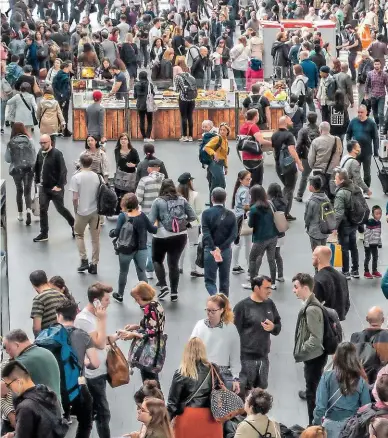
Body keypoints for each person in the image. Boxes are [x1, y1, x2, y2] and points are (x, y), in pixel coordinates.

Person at [74, 282, 115, 438]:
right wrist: (102, 319)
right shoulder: (84, 319)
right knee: (103, 412)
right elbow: (99, 343)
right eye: (106, 299)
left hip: (102, 369)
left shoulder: (94, 317)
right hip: (93, 372)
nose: (109, 302)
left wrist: (117, 335)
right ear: (96, 301)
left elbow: (103, 338)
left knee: (97, 410)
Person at [148, 179, 197, 302]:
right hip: (180, 235)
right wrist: (183, 223)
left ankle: (164, 286)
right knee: (173, 264)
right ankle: (174, 292)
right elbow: (193, 216)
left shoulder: (158, 201)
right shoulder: (182, 200)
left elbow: (150, 220)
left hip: (161, 236)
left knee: (157, 260)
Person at [56, 300, 98, 437]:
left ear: (58, 316)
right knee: (86, 420)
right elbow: (95, 363)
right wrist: (85, 362)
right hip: (77, 386)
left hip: (55, 388)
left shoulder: (49, 335)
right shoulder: (83, 335)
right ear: (76, 315)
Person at [235, 275, 281, 398]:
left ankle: (256, 414)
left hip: (263, 356)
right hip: (246, 358)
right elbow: (233, 333)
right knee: (245, 390)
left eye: (270, 287)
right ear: (256, 288)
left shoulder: (270, 304)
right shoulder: (242, 307)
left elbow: (278, 326)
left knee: (261, 390)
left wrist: (273, 328)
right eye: (266, 288)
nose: (270, 291)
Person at [167, 337, 223, 438]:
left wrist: (164, 424)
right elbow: (219, 393)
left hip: (187, 417)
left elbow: (172, 404)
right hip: (211, 417)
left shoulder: (181, 372)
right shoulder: (213, 369)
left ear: (186, 351)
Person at [313, 342, 371, 437]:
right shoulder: (361, 381)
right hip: (351, 428)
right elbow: (366, 409)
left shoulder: (326, 377)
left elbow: (320, 407)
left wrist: (316, 424)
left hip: (330, 427)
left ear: (337, 356)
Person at [293, 272, 326, 426]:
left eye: (296, 287)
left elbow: (315, 338)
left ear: (305, 288)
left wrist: (302, 350)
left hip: (313, 357)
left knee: (312, 392)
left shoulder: (311, 309)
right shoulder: (310, 304)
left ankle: (312, 426)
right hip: (314, 356)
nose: (294, 290)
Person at [111, 194, 157, 303]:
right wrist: (156, 223)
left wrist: (112, 233)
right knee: (142, 273)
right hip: (141, 249)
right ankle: (148, 298)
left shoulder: (123, 216)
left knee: (123, 272)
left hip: (125, 249)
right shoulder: (142, 216)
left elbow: (116, 232)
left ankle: (120, 294)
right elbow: (153, 230)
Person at [1, 361, 65, 438]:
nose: (9, 389)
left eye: (8, 385)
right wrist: (13, 434)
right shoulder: (48, 392)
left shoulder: (25, 407)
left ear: (19, 382)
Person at [191, 294, 240, 391]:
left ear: (222, 310)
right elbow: (191, 349)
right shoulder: (200, 325)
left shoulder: (230, 329)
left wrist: (235, 378)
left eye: (213, 311)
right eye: (208, 310)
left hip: (221, 374)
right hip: (201, 370)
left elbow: (235, 356)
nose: (209, 313)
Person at [117, 282, 165, 382]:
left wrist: (133, 334)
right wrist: (136, 326)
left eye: (137, 299)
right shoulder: (156, 304)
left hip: (150, 349)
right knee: (152, 377)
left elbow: (151, 332)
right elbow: (154, 325)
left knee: (148, 378)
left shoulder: (149, 308)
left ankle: (152, 396)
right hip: (158, 345)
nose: (137, 302)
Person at [33, 134, 74, 243]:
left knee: (60, 209)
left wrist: (59, 186)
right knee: (43, 210)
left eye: (44, 142)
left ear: (50, 142)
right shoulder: (40, 153)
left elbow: (63, 171)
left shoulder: (57, 154)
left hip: (55, 188)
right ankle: (44, 233)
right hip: (44, 188)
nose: (42, 145)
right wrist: (37, 181)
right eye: (41, 143)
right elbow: (37, 167)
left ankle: (73, 224)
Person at [2, 329, 61, 400]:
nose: (8, 353)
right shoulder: (45, 352)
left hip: (39, 408)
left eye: (8, 349)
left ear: (16, 345)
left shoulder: (23, 361)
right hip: (56, 407)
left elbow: (2, 389)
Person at [202, 187, 237, 297]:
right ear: (225, 199)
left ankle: (215, 298)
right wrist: (221, 248)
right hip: (225, 251)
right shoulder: (231, 215)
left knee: (209, 281)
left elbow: (206, 233)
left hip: (210, 251)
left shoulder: (206, 213)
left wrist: (213, 248)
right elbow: (233, 235)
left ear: (212, 198)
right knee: (224, 281)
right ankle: (224, 304)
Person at [69, 154, 101, 275]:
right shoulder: (97, 177)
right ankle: (94, 264)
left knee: (79, 234)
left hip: (82, 211)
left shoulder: (76, 177)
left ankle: (83, 260)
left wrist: (76, 209)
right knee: (95, 239)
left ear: (81, 163)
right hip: (95, 211)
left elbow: (75, 198)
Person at [135, 160, 166, 280]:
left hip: (148, 216)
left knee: (149, 243)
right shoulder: (165, 181)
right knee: (160, 242)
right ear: (158, 169)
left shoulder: (144, 181)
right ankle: (160, 266)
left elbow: (137, 199)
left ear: (148, 169)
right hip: (162, 216)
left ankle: (150, 269)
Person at [4, 122, 35, 225]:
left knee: (19, 190)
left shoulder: (11, 143)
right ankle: (29, 210)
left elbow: (7, 159)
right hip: (28, 168)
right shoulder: (29, 141)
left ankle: (20, 214)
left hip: (16, 169)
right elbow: (34, 155)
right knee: (27, 191)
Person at [271, 116, 301, 220]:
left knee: (288, 187)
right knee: (289, 189)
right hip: (289, 166)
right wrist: (299, 163)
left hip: (279, 166)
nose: (292, 122)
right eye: (290, 120)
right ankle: (283, 211)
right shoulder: (289, 135)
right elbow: (292, 150)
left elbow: (274, 150)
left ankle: (285, 212)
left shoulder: (274, 135)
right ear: (285, 123)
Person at [333, 169, 360, 280]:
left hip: (344, 224)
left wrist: (334, 227)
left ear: (342, 180)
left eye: (336, 178)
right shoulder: (354, 187)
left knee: (344, 247)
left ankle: (345, 271)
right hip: (354, 222)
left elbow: (339, 213)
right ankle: (355, 270)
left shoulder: (341, 193)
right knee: (353, 246)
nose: (335, 180)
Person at [351, 306, 388, 385]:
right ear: (383, 320)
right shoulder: (385, 336)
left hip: (357, 380)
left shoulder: (355, 337)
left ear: (367, 319)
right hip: (376, 383)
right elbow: (385, 361)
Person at [312, 246, 350, 321]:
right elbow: (346, 303)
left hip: (324, 322)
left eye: (313, 256)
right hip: (337, 321)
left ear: (319, 259)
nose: (312, 258)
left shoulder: (318, 280)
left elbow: (314, 307)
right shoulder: (342, 277)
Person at [177, 172, 204, 277]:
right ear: (189, 182)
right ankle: (193, 269)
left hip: (180, 224)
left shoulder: (177, 195)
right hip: (193, 223)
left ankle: (179, 267)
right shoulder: (195, 194)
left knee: (181, 245)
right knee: (193, 245)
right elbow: (198, 210)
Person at [346, 105, 379, 188]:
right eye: (358, 112)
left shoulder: (371, 123)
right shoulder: (353, 121)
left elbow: (375, 137)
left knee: (367, 172)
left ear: (366, 112)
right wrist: (349, 145)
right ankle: (354, 189)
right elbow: (348, 133)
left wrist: (376, 151)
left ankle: (366, 189)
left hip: (367, 152)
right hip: (355, 152)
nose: (360, 114)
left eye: (362, 112)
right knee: (354, 171)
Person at [308, 121, 343, 196]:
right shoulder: (337, 140)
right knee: (332, 193)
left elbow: (311, 159)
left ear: (320, 130)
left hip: (318, 171)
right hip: (333, 170)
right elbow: (340, 153)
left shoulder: (315, 141)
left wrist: (313, 167)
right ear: (329, 130)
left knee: (318, 193)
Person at [239, 108, 272, 186]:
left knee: (249, 181)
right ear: (255, 117)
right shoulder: (253, 126)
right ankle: (255, 197)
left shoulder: (243, 126)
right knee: (257, 182)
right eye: (258, 115)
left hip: (245, 157)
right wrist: (273, 143)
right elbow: (261, 141)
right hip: (255, 158)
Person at [29, 269, 68, 336]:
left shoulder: (39, 299)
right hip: (64, 336)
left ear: (33, 285)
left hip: (49, 339)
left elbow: (36, 328)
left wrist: (38, 340)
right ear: (47, 281)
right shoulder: (61, 295)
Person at [295, 113, 320, 202]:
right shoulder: (319, 129)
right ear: (316, 119)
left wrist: (297, 157)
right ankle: (318, 195)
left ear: (307, 119)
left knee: (304, 176)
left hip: (307, 156)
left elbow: (298, 145)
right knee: (319, 176)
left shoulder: (303, 130)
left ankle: (299, 195)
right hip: (318, 156)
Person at [304, 176, 333, 251]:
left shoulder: (310, 202)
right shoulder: (326, 198)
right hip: (325, 231)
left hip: (314, 232)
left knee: (316, 255)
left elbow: (307, 218)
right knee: (323, 252)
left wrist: (307, 227)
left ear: (312, 187)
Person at [232, 170, 252, 274]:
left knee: (238, 242)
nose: (249, 181)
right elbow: (246, 206)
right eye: (247, 179)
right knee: (246, 243)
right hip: (244, 218)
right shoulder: (245, 191)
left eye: (250, 179)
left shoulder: (239, 189)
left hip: (238, 217)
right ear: (241, 180)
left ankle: (236, 265)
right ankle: (248, 264)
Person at [114, 133, 140, 212]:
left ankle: (130, 211)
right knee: (118, 195)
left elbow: (139, 163)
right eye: (121, 139)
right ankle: (119, 213)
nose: (123, 141)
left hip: (130, 177)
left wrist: (134, 165)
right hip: (119, 176)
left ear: (128, 141)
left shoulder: (133, 151)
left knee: (128, 196)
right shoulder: (116, 150)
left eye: (125, 139)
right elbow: (117, 163)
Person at [204, 122, 230, 196]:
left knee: (214, 184)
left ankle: (214, 202)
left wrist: (226, 166)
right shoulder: (217, 138)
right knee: (221, 184)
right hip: (214, 163)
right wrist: (214, 153)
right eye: (221, 130)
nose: (222, 131)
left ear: (227, 131)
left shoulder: (225, 141)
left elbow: (225, 155)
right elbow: (206, 147)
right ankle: (217, 201)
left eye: (224, 130)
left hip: (221, 163)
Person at [267, 183, 286, 283]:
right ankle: (281, 274)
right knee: (277, 254)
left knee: (273, 255)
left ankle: (276, 276)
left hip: (274, 232)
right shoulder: (283, 202)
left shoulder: (272, 203)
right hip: (281, 231)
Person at [365, 58, 388, 130]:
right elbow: (367, 85)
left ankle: (382, 127)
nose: (377, 65)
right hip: (373, 96)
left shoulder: (385, 74)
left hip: (381, 96)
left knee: (381, 113)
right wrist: (366, 95)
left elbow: (387, 85)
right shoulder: (370, 74)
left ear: (380, 65)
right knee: (375, 113)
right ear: (373, 65)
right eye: (375, 64)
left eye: (378, 64)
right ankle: (377, 124)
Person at [174, 70, 197, 142]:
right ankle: (190, 136)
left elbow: (177, 90)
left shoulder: (177, 77)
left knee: (184, 116)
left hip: (183, 99)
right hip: (192, 99)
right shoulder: (191, 76)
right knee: (190, 116)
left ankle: (184, 136)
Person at [52, 60, 72, 137]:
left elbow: (54, 86)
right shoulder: (65, 77)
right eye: (68, 68)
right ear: (65, 68)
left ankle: (58, 129)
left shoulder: (57, 76)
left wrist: (58, 95)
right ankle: (65, 130)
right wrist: (65, 97)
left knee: (58, 114)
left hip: (58, 97)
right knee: (65, 114)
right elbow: (66, 90)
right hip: (64, 99)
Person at [134, 71, 155, 142]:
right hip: (148, 105)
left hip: (140, 105)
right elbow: (153, 94)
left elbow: (135, 96)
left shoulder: (136, 85)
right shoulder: (149, 84)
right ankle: (148, 137)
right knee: (149, 121)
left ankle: (144, 137)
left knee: (141, 121)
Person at [364, 205, 383, 279]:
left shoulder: (379, 223)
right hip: (368, 243)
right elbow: (367, 233)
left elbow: (379, 233)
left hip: (375, 243)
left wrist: (379, 242)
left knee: (375, 257)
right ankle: (366, 272)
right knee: (368, 257)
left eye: (380, 213)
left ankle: (374, 271)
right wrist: (366, 243)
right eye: (377, 213)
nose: (379, 215)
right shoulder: (370, 222)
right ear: (373, 214)